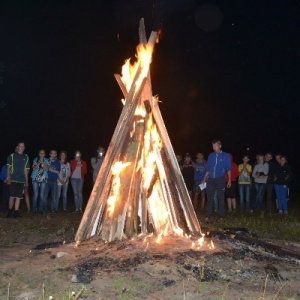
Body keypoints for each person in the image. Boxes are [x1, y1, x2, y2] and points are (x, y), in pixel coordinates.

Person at [202, 140, 231, 221]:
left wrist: (229, 180)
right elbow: (208, 168)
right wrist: (204, 179)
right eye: (213, 146)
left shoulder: (225, 155)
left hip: (220, 179)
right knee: (210, 197)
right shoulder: (211, 155)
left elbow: (228, 169)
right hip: (210, 179)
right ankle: (207, 215)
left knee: (221, 197)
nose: (214, 147)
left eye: (216, 146)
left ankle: (221, 216)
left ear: (220, 146)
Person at [6, 142, 30, 217]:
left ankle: (16, 212)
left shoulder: (26, 157)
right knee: (12, 196)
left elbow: (26, 170)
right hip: (13, 179)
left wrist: (26, 181)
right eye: (20, 146)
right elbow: (8, 168)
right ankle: (9, 212)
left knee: (19, 197)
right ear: (17, 147)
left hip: (21, 180)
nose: (22, 147)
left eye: (23, 146)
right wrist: (8, 178)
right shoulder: (12, 156)